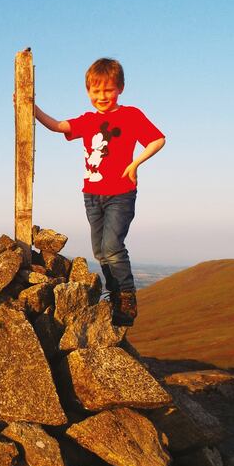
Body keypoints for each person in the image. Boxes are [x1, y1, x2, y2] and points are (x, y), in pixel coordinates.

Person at [34, 58, 165, 326]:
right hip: (92, 195)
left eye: (108, 90)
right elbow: (58, 126)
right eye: (96, 91)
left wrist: (135, 163)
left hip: (121, 193)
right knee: (100, 250)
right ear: (88, 92)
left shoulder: (131, 115)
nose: (102, 96)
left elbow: (157, 139)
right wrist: (32, 109)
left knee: (112, 246)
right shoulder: (88, 120)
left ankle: (127, 299)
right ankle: (114, 296)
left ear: (120, 89)